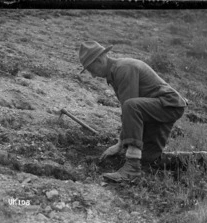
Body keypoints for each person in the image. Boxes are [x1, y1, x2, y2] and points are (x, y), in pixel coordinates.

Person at [78, 41, 188, 182]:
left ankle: (131, 169)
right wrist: (121, 144)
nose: (92, 75)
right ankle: (201, 159)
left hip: (168, 105)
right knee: (149, 158)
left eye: (91, 69)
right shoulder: (116, 71)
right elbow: (134, 110)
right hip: (158, 108)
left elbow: (130, 108)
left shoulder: (123, 69)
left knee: (131, 107)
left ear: (100, 59)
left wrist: (120, 145)